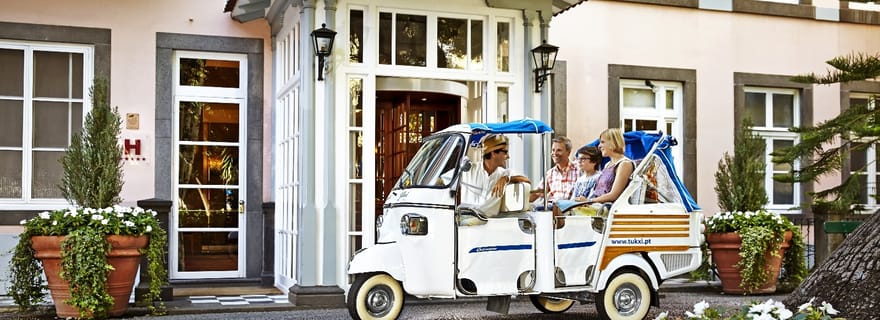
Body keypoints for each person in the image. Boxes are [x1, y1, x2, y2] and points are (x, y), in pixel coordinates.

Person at [459, 134, 530, 218]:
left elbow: (527, 180)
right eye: (505, 152)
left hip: (489, 225)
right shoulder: (469, 170)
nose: (508, 156)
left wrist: (506, 179)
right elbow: (443, 180)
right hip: (464, 222)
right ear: (493, 153)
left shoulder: (505, 174)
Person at [587, 128, 634, 204]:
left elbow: (614, 195)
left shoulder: (624, 164)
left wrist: (588, 201)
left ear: (612, 143)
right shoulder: (607, 164)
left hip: (608, 209)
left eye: (602, 142)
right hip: (597, 205)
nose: (599, 146)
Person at [530, 136, 579, 207]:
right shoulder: (550, 174)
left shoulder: (578, 169)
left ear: (568, 152)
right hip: (554, 212)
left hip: (572, 212)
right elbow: (536, 193)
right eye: (553, 150)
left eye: (559, 150)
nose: (554, 153)